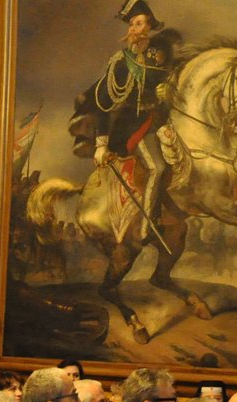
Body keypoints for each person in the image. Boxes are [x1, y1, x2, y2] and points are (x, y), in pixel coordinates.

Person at [74, 1, 175, 241]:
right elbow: (103, 104)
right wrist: (101, 144)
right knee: (157, 168)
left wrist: (168, 89)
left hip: (165, 117)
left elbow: (164, 76)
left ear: (149, 25)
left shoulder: (161, 51)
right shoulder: (120, 63)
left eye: (139, 23)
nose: (134, 29)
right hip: (134, 124)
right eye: (131, 24)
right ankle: (148, 226)